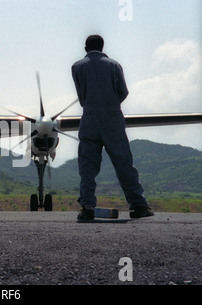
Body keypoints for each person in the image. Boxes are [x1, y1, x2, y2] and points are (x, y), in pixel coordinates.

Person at [71, 34, 154, 220]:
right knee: (123, 162)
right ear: (102, 47)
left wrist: (92, 105)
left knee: (87, 166)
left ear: (86, 48)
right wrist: (111, 104)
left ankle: (87, 207)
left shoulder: (76, 67)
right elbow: (123, 92)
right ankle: (139, 206)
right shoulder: (114, 65)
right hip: (112, 117)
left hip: (89, 117)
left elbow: (81, 95)